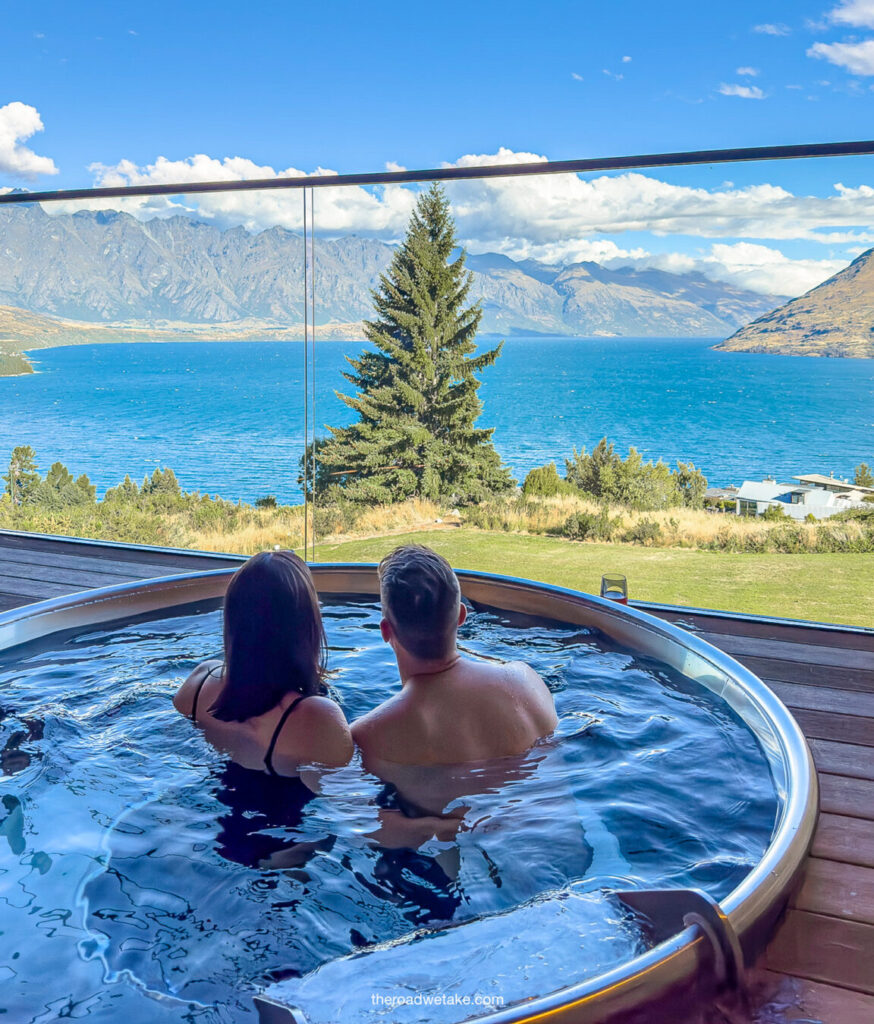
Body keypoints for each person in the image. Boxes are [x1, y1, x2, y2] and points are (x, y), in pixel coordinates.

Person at [352, 544, 557, 819]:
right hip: (572, 840)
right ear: (461, 616)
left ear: (386, 631)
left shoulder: (370, 736)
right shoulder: (526, 680)